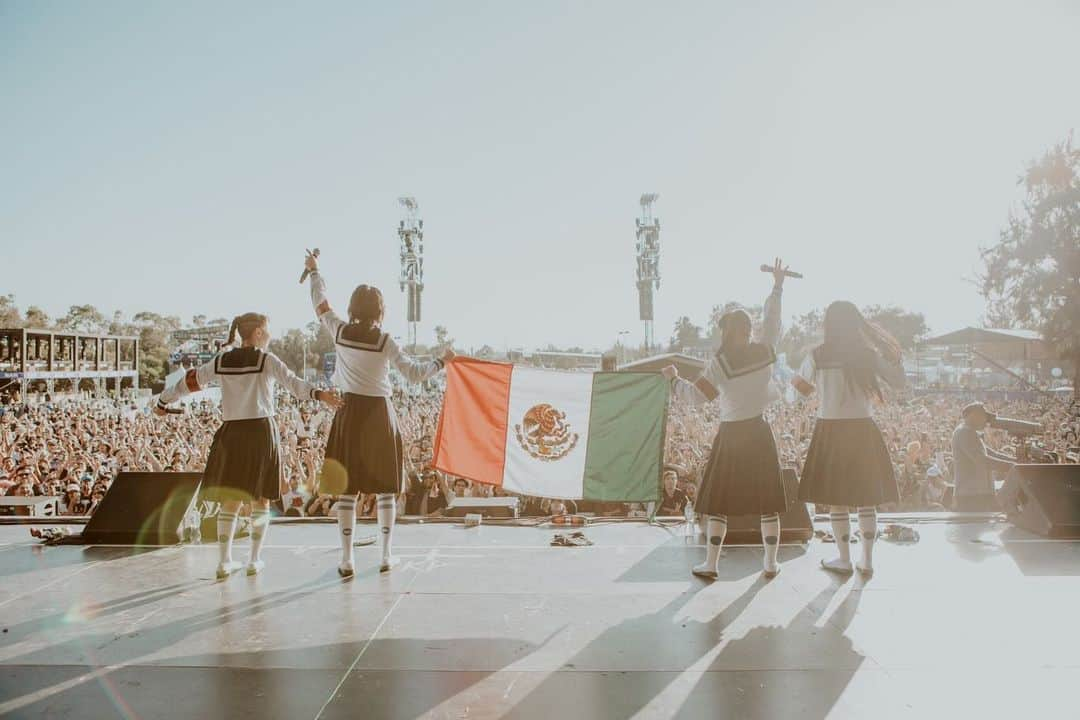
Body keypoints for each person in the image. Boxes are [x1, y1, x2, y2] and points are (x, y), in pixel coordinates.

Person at [156, 312, 342, 579]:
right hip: (261, 432)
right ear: (257, 333)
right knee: (261, 499)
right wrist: (320, 394)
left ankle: (224, 562)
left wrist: (163, 401)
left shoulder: (222, 360)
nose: (270, 334)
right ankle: (254, 560)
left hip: (231, 433)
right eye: (267, 330)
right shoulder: (266, 360)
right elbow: (295, 385)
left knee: (230, 500)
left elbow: (190, 381)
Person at [305, 251, 455, 577]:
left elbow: (320, 301)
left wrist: (315, 271)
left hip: (348, 412)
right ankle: (387, 555)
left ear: (352, 308)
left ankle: (347, 559)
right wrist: (442, 362)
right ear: (380, 311)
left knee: (347, 489)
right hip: (380, 413)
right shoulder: (384, 340)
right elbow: (414, 374)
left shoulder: (339, 331)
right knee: (387, 488)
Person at [663, 258, 789, 580]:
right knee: (768, 502)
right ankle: (771, 563)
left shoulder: (720, 363)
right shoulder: (765, 351)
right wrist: (777, 286)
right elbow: (773, 323)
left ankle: (712, 564)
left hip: (732, 436)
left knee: (718, 502)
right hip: (760, 432)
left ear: (726, 332)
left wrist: (674, 380)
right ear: (749, 331)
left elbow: (695, 398)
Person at [792, 301, 905, 576]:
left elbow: (797, 393)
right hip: (863, 431)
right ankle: (866, 560)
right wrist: (895, 358)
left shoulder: (817, 355)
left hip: (830, 430)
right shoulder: (867, 355)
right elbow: (899, 382)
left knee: (837, 500)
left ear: (829, 324)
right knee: (866, 499)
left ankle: (844, 559)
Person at [951, 402, 1015, 511]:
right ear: (974, 415)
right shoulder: (965, 432)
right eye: (985, 417)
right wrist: (1013, 467)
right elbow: (983, 461)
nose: (987, 422)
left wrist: (1015, 461)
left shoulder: (970, 432)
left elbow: (991, 453)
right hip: (972, 495)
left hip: (977, 493)